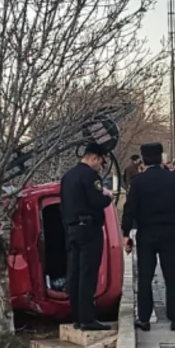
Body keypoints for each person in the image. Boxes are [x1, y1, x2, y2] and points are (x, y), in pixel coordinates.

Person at [122, 142, 175, 331]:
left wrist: (125, 234)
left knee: (145, 277)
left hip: (146, 235)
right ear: (161, 157)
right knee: (171, 276)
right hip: (170, 234)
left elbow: (129, 210)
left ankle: (144, 319)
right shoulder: (174, 180)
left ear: (143, 159)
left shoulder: (138, 182)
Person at [59, 142, 113, 331]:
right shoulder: (90, 176)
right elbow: (97, 201)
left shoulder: (68, 176)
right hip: (89, 229)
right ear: (94, 158)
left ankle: (76, 317)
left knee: (74, 273)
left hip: (72, 228)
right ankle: (87, 319)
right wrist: (108, 196)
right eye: (101, 162)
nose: (100, 166)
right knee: (88, 274)